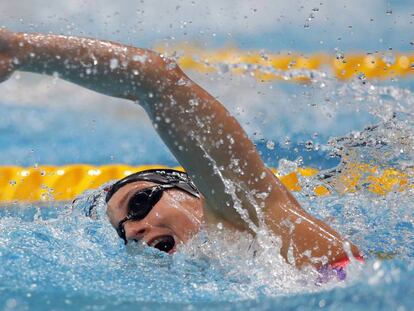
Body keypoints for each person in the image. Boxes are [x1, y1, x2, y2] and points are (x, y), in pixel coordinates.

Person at [0, 28, 362, 271]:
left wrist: (20, 51)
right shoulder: (236, 272)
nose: (133, 231)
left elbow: (155, 80)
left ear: (196, 190)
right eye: (122, 230)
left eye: (139, 203)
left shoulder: (263, 219)